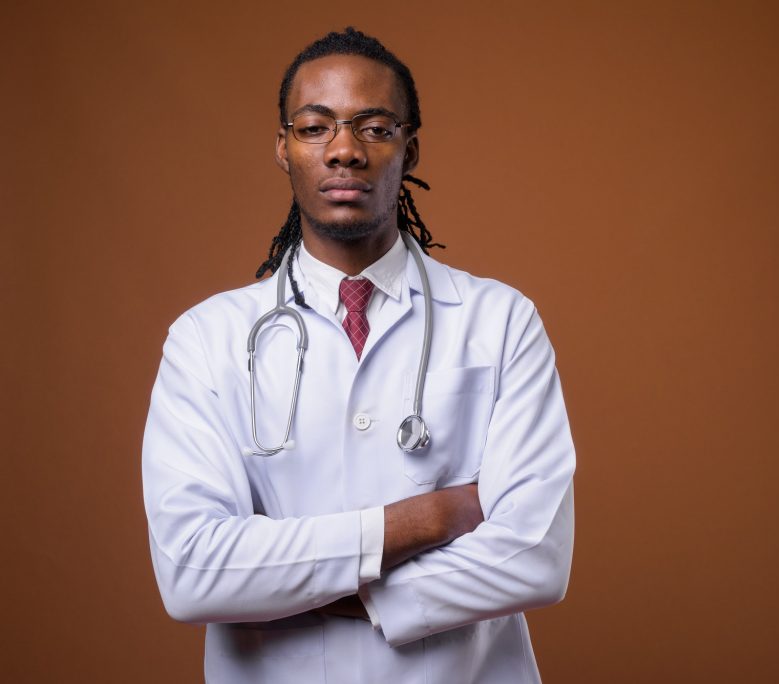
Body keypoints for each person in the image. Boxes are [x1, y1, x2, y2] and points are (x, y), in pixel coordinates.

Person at [141, 28, 575, 683]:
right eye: (316, 128)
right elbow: (195, 572)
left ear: (410, 148)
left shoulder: (500, 320)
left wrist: (328, 587)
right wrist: (429, 517)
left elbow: (536, 556)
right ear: (283, 148)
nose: (344, 150)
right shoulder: (207, 339)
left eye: (373, 127)